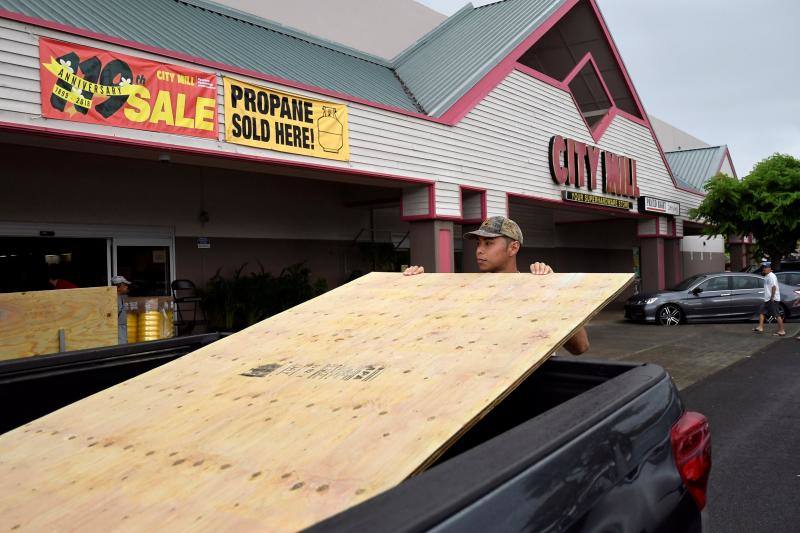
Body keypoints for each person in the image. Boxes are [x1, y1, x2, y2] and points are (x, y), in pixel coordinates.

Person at [403, 216, 590, 355]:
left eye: (488, 243)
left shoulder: (536, 289)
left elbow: (580, 347)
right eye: (478, 243)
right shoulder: (466, 293)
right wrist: (414, 289)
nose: (479, 250)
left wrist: (555, 292)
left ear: (513, 248)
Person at [753, 261, 785, 336]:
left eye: (765, 267)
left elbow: (774, 287)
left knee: (776, 315)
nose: (763, 269)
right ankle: (760, 327)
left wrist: (772, 297)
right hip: (767, 299)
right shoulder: (767, 276)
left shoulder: (771, 276)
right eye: (763, 267)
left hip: (772, 299)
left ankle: (782, 331)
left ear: (769, 268)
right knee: (761, 311)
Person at [111, 275, 132, 344]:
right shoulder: (115, 299)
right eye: (125, 285)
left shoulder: (119, 298)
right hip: (118, 333)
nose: (127, 287)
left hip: (121, 330)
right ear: (118, 287)